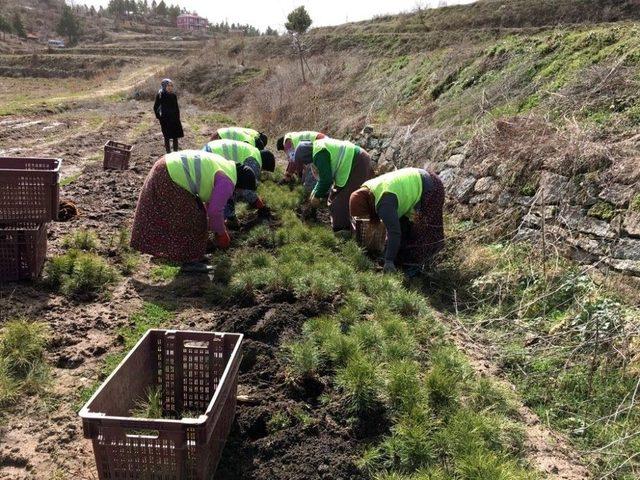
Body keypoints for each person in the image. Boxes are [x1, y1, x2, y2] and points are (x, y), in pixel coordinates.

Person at [130, 150, 256, 273]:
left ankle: (191, 253)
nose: (239, 193)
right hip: (170, 175)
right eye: (241, 190)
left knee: (196, 214)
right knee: (194, 219)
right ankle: (190, 261)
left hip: (166, 166)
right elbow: (215, 211)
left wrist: (217, 227)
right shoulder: (228, 182)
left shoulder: (227, 167)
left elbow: (210, 204)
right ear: (241, 183)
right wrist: (222, 234)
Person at [349, 167, 445, 274]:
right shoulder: (367, 189)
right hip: (416, 179)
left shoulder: (384, 203)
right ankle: (399, 259)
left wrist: (389, 261)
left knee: (424, 231)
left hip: (432, 187)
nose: (366, 217)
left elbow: (394, 232)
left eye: (365, 214)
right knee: (403, 226)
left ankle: (415, 267)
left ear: (366, 206)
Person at [295, 138, 373, 233]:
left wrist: (317, 196)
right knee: (333, 197)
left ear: (305, 156)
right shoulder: (317, 149)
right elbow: (321, 179)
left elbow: (326, 180)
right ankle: (340, 225)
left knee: (342, 200)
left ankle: (343, 230)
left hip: (358, 162)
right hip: (352, 162)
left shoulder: (319, 154)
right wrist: (314, 192)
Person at [203, 138, 276, 226]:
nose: (262, 171)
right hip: (211, 155)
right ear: (264, 164)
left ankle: (224, 218)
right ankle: (221, 222)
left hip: (210, 149)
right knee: (225, 190)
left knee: (226, 188)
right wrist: (261, 207)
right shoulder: (254, 162)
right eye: (264, 170)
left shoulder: (254, 152)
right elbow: (246, 189)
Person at [153, 79, 184, 153]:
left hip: (174, 119)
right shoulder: (160, 95)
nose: (170, 87)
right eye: (168, 85)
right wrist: (160, 117)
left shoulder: (173, 95)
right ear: (164, 86)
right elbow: (155, 107)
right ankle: (168, 154)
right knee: (167, 137)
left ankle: (176, 153)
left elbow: (176, 107)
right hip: (165, 120)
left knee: (175, 136)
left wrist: (177, 117)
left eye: (171, 86)